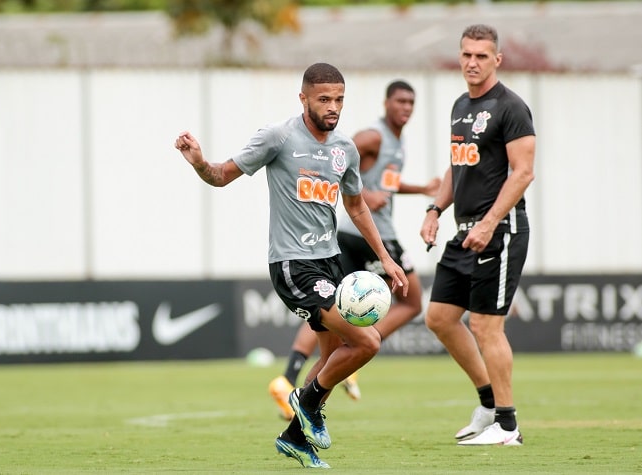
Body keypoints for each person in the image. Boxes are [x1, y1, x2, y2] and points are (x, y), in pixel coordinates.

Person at [175, 63, 408, 468]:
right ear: (303, 99)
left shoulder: (345, 150)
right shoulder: (278, 137)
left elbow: (356, 205)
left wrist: (386, 257)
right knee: (368, 341)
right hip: (292, 265)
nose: (333, 107)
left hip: (331, 261)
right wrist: (198, 160)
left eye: (339, 99)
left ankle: (296, 437)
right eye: (324, 99)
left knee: (331, 357)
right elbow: (220, 176)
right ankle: (303, 399)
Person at [269, 80, 441, 420]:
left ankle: (290, 377)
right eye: (400, 101)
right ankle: (355, 351)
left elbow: (380, 181)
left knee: (329, 307)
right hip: (365, 233)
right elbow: (340, 162)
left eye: (411, 102)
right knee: (411, 300)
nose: (405, 108)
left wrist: (419, 188)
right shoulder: (372, 136)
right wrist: (362, 196)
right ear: (386, 103)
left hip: (343, 237)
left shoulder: (396, 141)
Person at [420, 24, 535, 446]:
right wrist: (435, 208)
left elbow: (523, 172)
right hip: (464, 232)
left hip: (500, 231)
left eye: (481, 56)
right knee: (440, 318)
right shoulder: (459, 106)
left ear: (497, 60)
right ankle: (488, 404)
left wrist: (489, 222)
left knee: (486, 326)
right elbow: (458, 166)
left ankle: (508, 427)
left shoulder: (511, 107)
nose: (472, 62)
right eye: (466, 54)